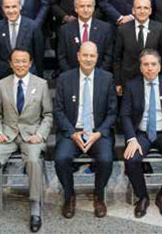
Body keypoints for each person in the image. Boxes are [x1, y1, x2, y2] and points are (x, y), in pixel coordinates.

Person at [0, 48, 53, 230]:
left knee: (34, 161)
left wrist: (40, 134)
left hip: (32, 135)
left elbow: (48, 115)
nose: (20, 65)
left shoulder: (41, 84)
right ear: (11, 64)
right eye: (16, 61)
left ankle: (35, 207)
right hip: (8, 134)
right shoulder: (2, 84)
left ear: (30, 63)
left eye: (23, 61)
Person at [54, 42, 117, 219]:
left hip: (97, 132)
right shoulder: (65, 78)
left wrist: (98, 133)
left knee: (105, 159)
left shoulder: (107, 78)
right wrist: (73, 133)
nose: (88, 59)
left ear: (97, 57)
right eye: (85, 55)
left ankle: (98, 195)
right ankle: (69, 195)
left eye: (92, 56)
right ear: (78, 56)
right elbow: (58, 110)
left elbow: (112, 113)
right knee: (61, 158)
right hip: (73, 130)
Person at [122, 49, 162, 218]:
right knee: (131, 159)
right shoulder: (131, 86)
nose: (150, 68)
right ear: (141, 67)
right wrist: (131, 139)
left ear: (159, 67)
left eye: (153, 64)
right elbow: (125, 115)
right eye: (146, 64)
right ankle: (142, 196)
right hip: (141, 134)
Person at [112, 0, 162, 92]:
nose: (142, 11)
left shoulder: (160, 29)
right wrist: (118, 82)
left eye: (145, 8)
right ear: (133, 10)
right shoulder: (123, 29)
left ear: (150, 11)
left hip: (153, 80)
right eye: (139, 8)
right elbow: (117, 58)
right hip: (128, 81)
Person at [0, 0, 44, 86]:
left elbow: (38, 55)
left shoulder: (33, 26)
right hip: (3, 77)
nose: (11, 11)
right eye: (7, 7)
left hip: (28, 76)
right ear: (2, 8)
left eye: (14, 6)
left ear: (20, 6)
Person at [57, 0, 114, 72]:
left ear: (93, 8)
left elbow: (108, 56)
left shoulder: (105, 28)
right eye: (82, 6)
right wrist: (71, 76)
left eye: (89, 6)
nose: (86, 10)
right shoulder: (65, 30)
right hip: (72, 78)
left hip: (99, 77)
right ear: (76, 9)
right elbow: (62, 57)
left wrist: (99, 75)